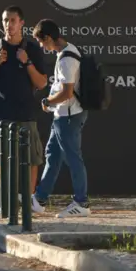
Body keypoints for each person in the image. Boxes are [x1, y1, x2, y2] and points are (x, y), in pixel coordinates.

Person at [0, 5, 48, 216]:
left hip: (26, 115)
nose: (9, 25)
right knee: (1, 161)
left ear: (22, 24)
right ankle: (6, 204)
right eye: (6, 20)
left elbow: (42, 82)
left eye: (13, 20)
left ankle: (26, 203)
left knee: (32, 160)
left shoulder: (32, 49)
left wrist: (27, 64)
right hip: (0, 115)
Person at [32, 18, 90, 217]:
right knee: (53, 156)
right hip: (63, 116)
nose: (41, 46)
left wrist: (48, 101)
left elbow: (67, 92)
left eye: (41, 42)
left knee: (73, 158)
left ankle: (81, 203)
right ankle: (39, 199)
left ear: (48, 38)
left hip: (68, 116)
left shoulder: (66, 59)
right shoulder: (66, 52)